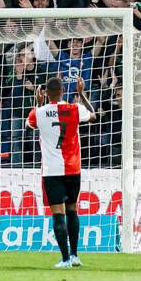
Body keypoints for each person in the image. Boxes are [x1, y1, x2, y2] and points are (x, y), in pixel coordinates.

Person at [25, 75, 94, 268]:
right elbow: (93, 114)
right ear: (63, 91)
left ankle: (64, 259)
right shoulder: (74, 109)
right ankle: (75, 255)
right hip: (73, 168)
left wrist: (38, 105)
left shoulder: (39, 113)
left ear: (45, 94)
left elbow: (28, 126)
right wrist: (81, 94)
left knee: (57, 214)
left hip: (51, 170)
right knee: (72, 210)